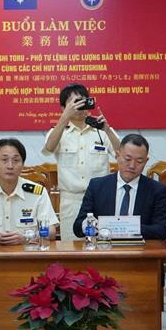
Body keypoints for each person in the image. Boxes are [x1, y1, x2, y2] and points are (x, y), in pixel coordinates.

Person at [42, 84, 120, 241]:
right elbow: (49, 148)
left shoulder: (101, 130)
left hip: (100, 200)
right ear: (63, 108)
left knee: (103, 245)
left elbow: (122, 155)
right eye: (73, 102)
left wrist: (107, 129)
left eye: (82, 101)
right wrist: (65, 117)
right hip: (72, 202)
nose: (79, 105)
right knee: (72, 248)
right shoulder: (59, 132)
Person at [73, 133, 166, 240]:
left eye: (139, 161)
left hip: (140, 248)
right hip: (104, 247)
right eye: (127, 159)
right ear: (117, 155)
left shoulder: (156, 190)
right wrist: (90, 225)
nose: (132, 166)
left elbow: (162, 230)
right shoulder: (97, 186)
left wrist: (127, 228)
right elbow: (77, 227)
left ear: (146, 161)